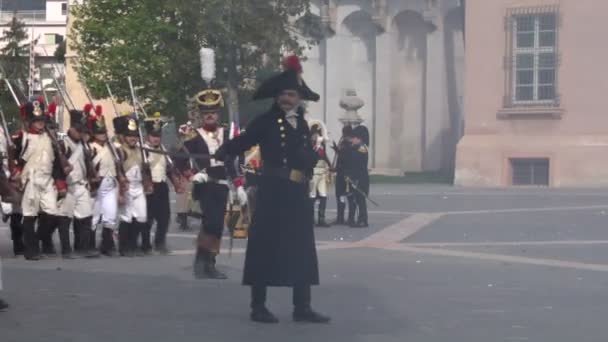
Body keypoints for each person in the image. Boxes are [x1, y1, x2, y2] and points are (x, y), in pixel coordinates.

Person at [217, 55, 330, 324]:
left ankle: (302, 307)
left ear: (299, 98)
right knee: (264, 247)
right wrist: (225, 150)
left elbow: (303, 153)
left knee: (301, 249)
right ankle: (258, 306)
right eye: (283, 94)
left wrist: (310, 157)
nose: (286, 99)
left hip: (296, 193)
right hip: (272, 191)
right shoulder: (266, 121)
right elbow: (245, 140)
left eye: (291, 94)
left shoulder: (302, 123)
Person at [175, 89, 235, 279]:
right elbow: (179, 159)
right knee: (212, 223)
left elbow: (235, 160)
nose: (210, 115)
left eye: (214, 111)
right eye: (206, 112)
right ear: (201, 114)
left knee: (216, 226)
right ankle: (203, 263)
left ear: (219, 113)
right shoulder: (192, 135)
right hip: (205, 184)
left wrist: (239, 184)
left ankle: (208, 262)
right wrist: (193, 174)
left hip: (223, 185)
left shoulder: (228, 133)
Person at [11, 97, 69, 260]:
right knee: (29, 215)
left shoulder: (51, 138)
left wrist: (60, 183)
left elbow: (57, 162)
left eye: (42, 120)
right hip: (30, 180)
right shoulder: (21, 137)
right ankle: (31, 250)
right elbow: (14, 159)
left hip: (47, 180)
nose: (40, 123)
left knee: (52, 214)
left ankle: (34, 240)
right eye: (36, 121)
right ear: (29, 121)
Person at [49, 106, 100, 258]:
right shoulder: (62, 144)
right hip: (68, 186)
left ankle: (82, 248)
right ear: (71, 128)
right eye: (78, 130)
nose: (81, 133)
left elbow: (88, 166)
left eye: (83, 130)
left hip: (81, 184)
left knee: (86, 217)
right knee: (65, 219)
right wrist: (60, 184)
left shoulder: (84, 146)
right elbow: (56, 167)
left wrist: (92, 179)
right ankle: (66, 250)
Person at [142, 113, 183, 254]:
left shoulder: (163, 149)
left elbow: (170, 169)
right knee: (148, 219)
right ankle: (145, 245)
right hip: (149, 187)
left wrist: (176, 184)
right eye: (153, 136)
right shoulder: (143, 151)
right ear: (147, 136)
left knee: (164, 218)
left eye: (158, 136)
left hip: (162, 186)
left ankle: (160, 243)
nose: (156, 139)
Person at [117, 116, 148, 257]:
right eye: (129, 136)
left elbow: (145, 170)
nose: (132, 138)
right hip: (126, 186)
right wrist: (121, 190)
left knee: (141, 216)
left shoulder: (141, 150)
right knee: (126, 217)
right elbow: (117, 170)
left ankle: (133, 243)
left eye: (135, 135)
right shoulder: (120, 151)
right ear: (124, 136)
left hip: (139, 186)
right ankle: (124, 246)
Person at [308, 120, 332, 227]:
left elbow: (324, 155)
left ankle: (321, 219)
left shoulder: (321, 143)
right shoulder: (310, 142)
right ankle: (310, 219)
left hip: (322, 171)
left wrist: (330, 165)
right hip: (314, 171)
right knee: (312, 195)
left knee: (323, 195)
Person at [345, 126, 369, 228]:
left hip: (360, 178)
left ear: (359, 138)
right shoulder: (356, 148)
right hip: (356, 177)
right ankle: (357, 219)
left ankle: (363, 220)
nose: (352, 140)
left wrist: (355, 179)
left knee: (361, 199)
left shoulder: (362, 149)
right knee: (356, 199)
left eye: (354, 138)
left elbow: (357, 164)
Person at [331, 125, 353, 226]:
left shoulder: (350, 144)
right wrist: (337, 150)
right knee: (340, 195)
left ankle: (350, 218)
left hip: (346, 174)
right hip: (340, 173)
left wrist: (338, 151)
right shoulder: (344, 143)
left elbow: (346, 159)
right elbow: (341, 157)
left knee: (348, 196)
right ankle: (340, 218)